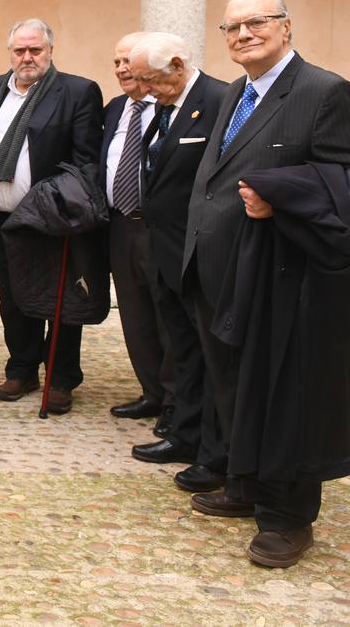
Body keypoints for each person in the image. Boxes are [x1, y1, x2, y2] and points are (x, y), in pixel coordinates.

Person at [179, 0, 350, 567]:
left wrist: (285, 200)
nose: (243, 34)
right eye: (232, 26)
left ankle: (289, 517)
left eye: (256, 22)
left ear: (286, 26)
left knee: (287, 392)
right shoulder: (235, 93)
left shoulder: (325, 91)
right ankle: (247, 483)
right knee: (236, 385)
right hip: (221, 269)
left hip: (285, 275)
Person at [0, 18, 103, 414]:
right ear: (10, 53)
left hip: (52, 218)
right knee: (13, 298)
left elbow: (85, 162)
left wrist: (51, 204)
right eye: (19, 51)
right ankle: (23, 368)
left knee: (60, 300)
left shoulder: (77, 91)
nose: (27, 57)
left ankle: (61, 377)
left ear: (50, 51)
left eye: (35, 50)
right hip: (1, 218)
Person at [123, 32, 227, 474]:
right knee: (183, 351)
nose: (144, 88)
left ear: (179, 66)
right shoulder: (164, 107)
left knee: (208, 354)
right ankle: (184, 435)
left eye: (151, 79)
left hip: (198, 254)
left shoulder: (219, 99)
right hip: (164, 251)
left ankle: (214, 450)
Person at [99, 33, 171, 427]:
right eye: (117, 63)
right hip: (120, 227)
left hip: (161, 229)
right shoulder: (114, 110)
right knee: (136, 315)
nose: (122, 69)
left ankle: (177, 405)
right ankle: (152, 392)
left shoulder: (170, 108)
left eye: (128, 61)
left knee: (168, 318)